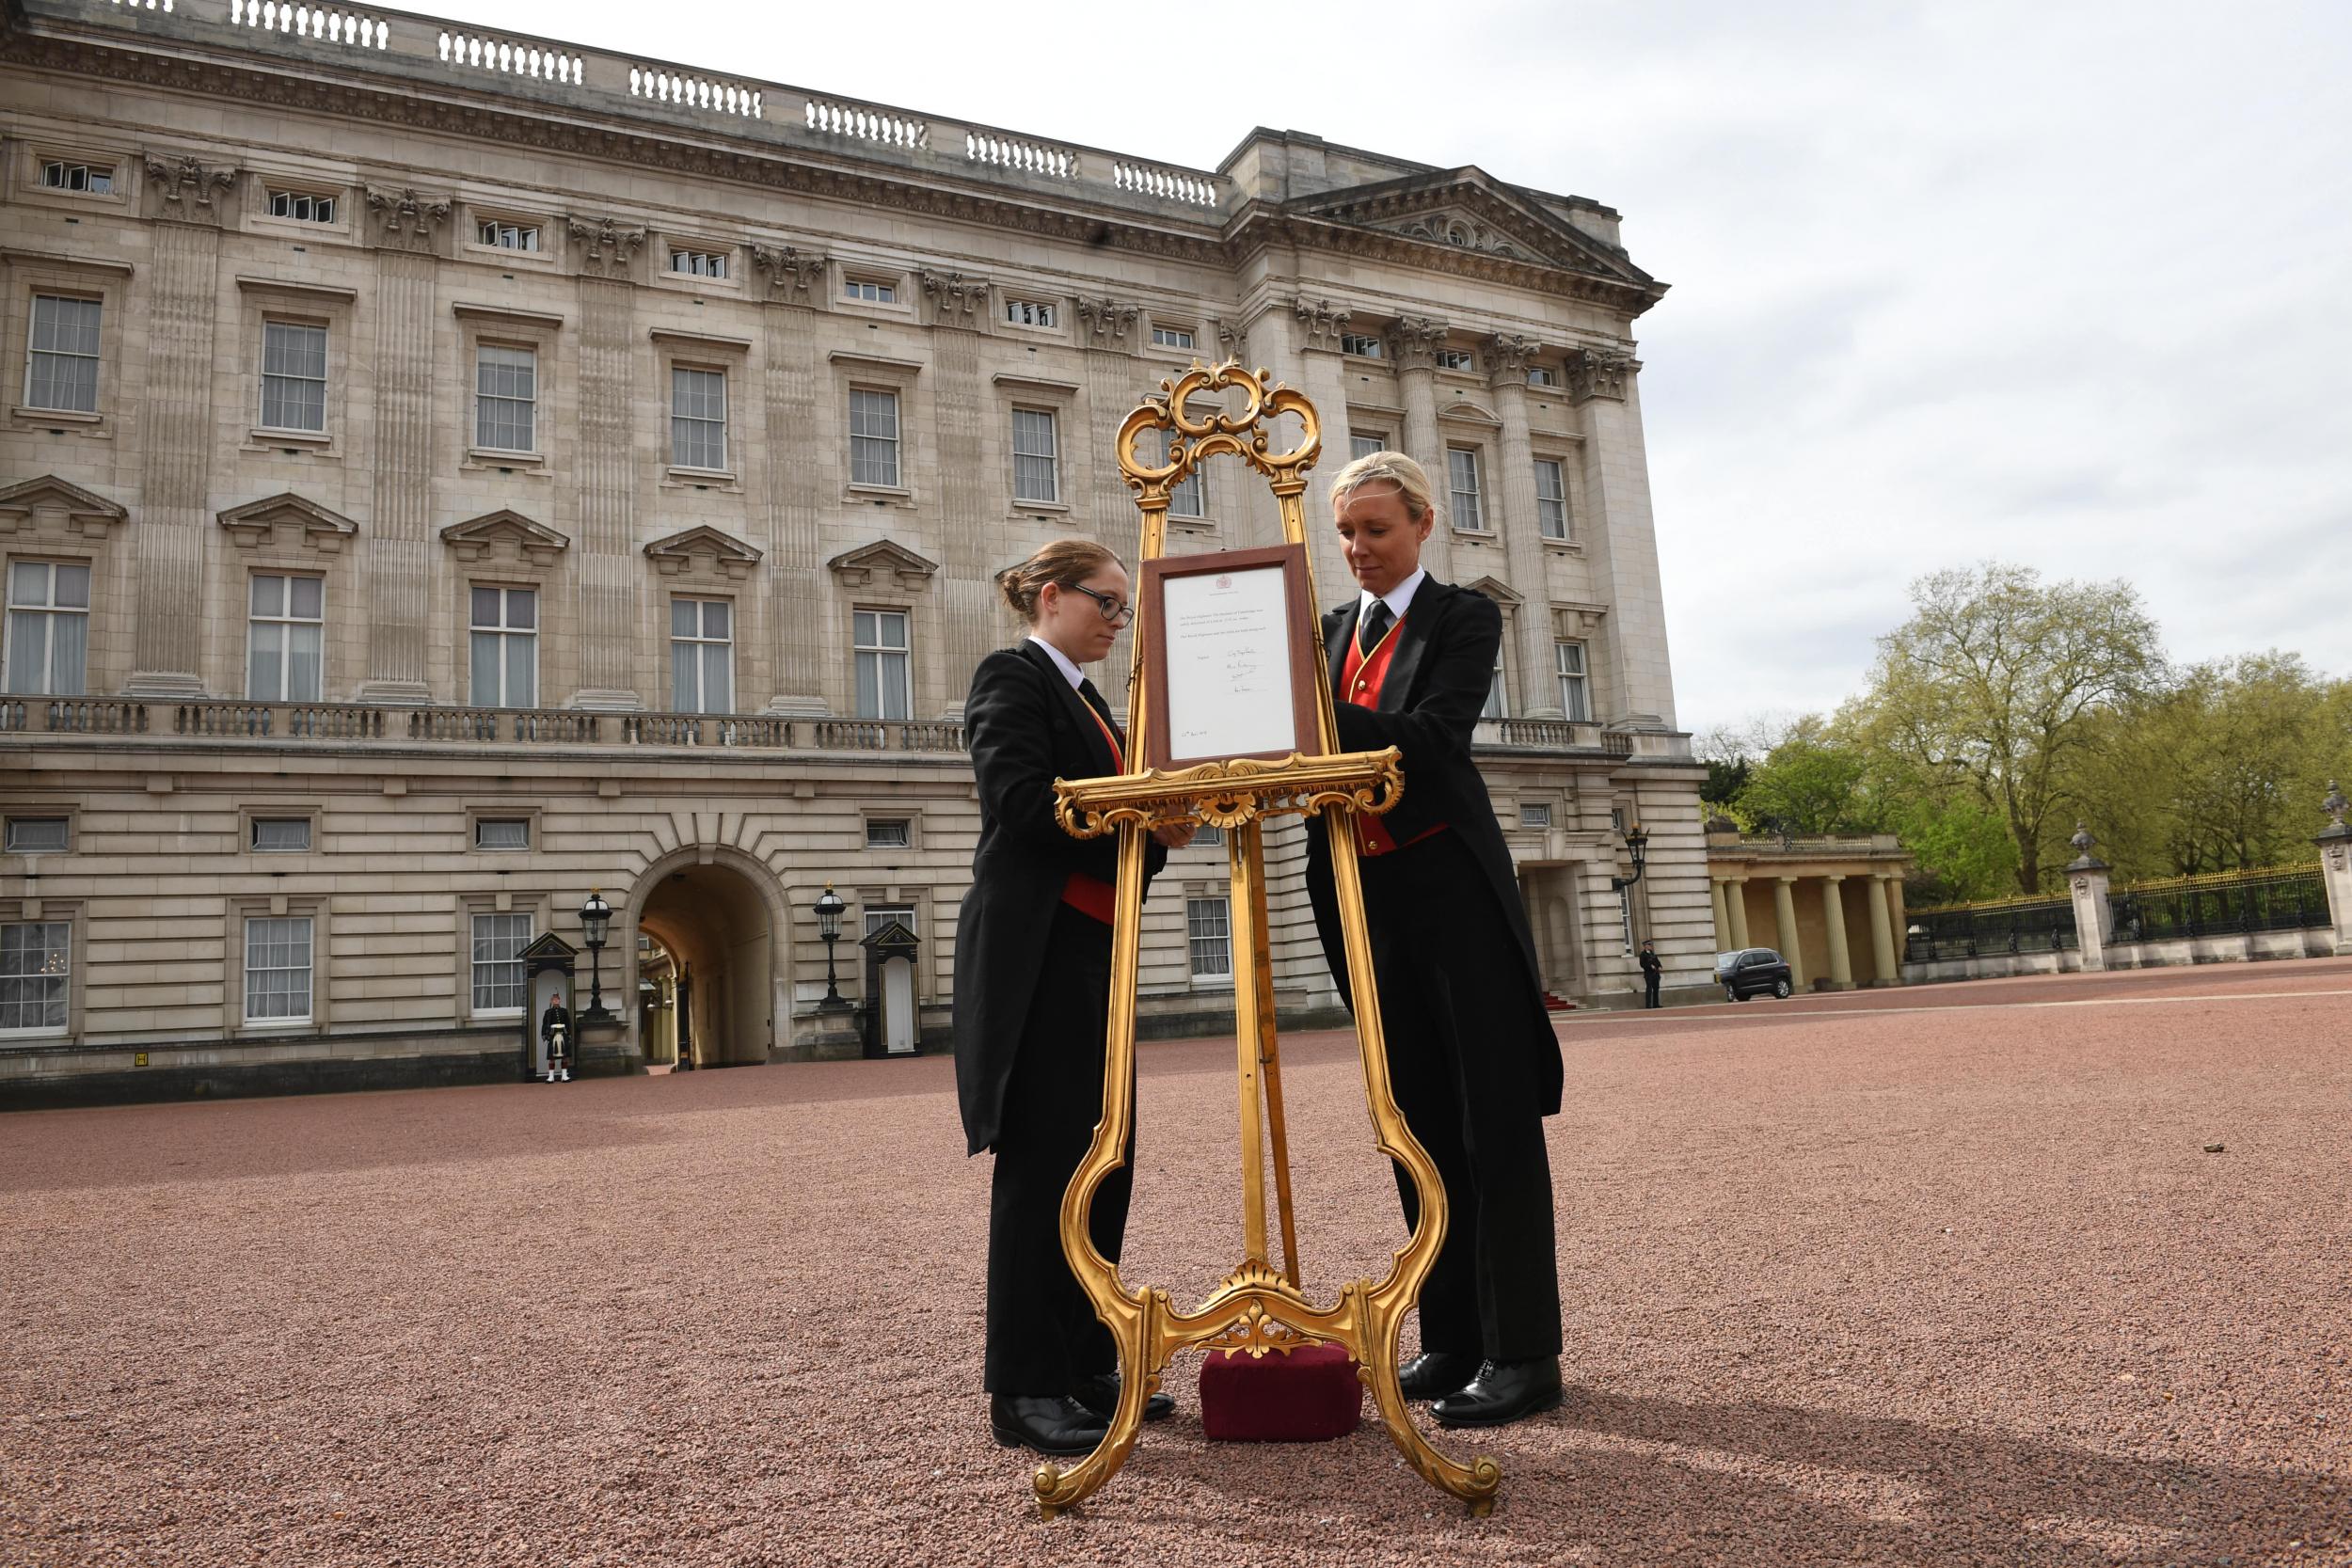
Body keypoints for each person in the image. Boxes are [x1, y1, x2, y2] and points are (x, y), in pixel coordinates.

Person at [1303, 451, 1565, 1429]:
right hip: (1359, 892)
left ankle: (1524, 1351)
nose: (1358, 549)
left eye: (1375, 528)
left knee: (1490, 1120)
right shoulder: (1326, 631)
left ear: (1420, 524)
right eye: (1346, 533)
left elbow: (1432, 732)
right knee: (1411, 1118)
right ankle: (1450, 1335)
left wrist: (1305, 713)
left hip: (1451, 886)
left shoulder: (1462, 615)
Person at [951, 538, 1194, 1457]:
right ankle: (1023, 1386)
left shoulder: (1091, 701)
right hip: (1040, 954)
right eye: (1108, 602)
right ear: (1052, 596)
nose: (1117, 620)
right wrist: (1137, 806)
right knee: (1044, 1168)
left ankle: (1086, 1357)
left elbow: (1125, 839)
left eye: (1124, 607)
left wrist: (1160, 820)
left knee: (1106, 1158)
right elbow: (1020, 801)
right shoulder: (1010, 677)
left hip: (1097, 948)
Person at [539, 991, 572, 1082]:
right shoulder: (548, 1012)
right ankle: (551, 1077)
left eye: (557, 999)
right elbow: (544, 1024)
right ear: (552, 1001)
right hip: (553, 1034)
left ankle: (564, 1076)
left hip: (562, 1034)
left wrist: (569, 1034)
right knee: (551, 1057)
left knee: (564, 1056)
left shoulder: (564, 1011)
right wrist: (544, 1034)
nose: (556, 1001)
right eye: (554, 999)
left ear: (559, 1000)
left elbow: (568, 1023)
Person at [1640, 939, 1663, 1008]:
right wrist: (1650, 966)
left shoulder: (1653, 954)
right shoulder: (1642, 954)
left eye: (1650, 945)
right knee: (1649, 989)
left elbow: (1658, 962)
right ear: (1645, 946)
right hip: (1649, 974)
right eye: (1649, 945)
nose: (1650, 946)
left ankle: (1656, 1004)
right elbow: (1642, 964)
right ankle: (1648, 1005)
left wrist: (1660, 966)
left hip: (1656, 974)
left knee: (1656, 988)